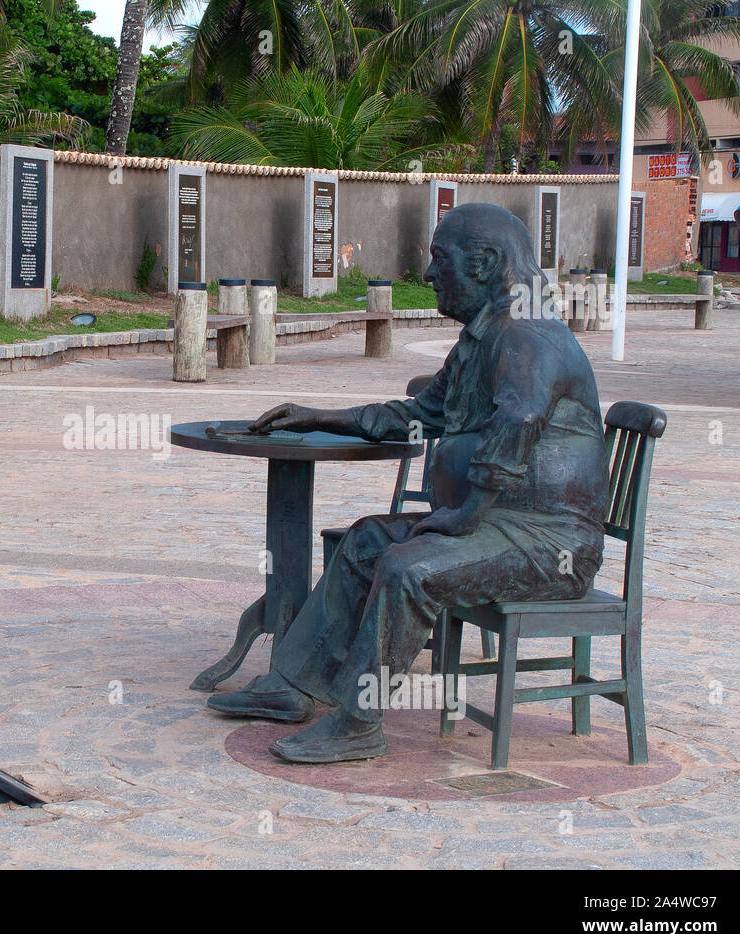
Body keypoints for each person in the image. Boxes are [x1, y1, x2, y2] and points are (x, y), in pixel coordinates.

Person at [206, 202, 609, 763]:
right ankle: (294, 686)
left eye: (440, 259)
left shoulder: (528, 334)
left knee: (406, 569)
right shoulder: (481, 338)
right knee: (366, 540)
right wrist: (319, 414)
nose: (428, 274)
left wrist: (466, 516)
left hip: (547, 542)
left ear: (486, 263)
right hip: (496, 524)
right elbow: (420, 413)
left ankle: (358, 723)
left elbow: (518, 421)